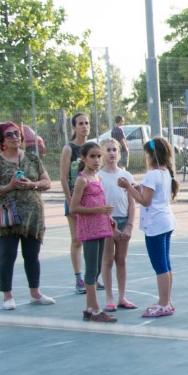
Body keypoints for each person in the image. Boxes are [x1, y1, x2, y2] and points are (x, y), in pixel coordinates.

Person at [0, 122, 55, 310]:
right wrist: (8, 187)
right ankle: (8, 296)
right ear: (2, 140)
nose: (15, 137)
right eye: (9, 135)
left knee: (32, 255)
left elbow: (47, 182)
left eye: (17, 133)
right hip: (7, 216)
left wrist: (32, 184)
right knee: (7, 255)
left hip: (32, 215)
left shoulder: (32, 158)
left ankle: (35, 293)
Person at [117, 137, 179, 318]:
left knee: (160, 265)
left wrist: (128, 186)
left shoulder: (152, 174)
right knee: (166, 264)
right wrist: (137, 186)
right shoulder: (165, 172)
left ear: (152, 155)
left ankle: (163, 303)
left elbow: (145, 200)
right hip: (166, 222)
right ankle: (166, 300)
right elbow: (149, 193)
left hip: (155, 225)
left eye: (146, 154)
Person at [70, 142, 120, 323]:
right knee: (91, 270)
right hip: (89, 229)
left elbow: (101, 203)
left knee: (97, 268)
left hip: (101, 226)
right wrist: (99, 210)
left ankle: (89, 308)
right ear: (83, 158)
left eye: (99, 156)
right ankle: (96, 309)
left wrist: (108, 217)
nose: (97, 160)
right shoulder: (82, 180)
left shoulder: (97, 178)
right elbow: (74, 207)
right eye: (92, 156)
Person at [98, 137, 137, 312]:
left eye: (115, 150)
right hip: (107, 221)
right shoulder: (99, 177)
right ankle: (109, 297)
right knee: (107, 260)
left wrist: (129, 225)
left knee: (121, 260)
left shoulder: (126, 175)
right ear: (102, 153)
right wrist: (109, 225)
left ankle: (122, 296)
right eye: (108, 150)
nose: (112, 153)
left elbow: (132, 202)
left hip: (122, 220)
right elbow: (98, 204)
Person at [60, 112, 92, 294]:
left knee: (92, 238)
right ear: (73, 127)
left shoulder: (92, 147)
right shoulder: (69, 149)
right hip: (74, 199)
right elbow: (64, 178)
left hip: (91, 200)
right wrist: (70, 201)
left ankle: (92, 277)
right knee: (77, 239)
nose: (84, 126)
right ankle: (78, 278)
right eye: (80, 123)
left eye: (87, 123)